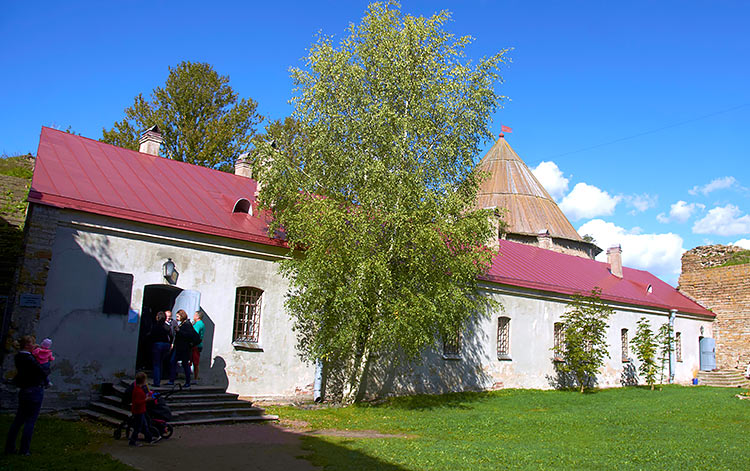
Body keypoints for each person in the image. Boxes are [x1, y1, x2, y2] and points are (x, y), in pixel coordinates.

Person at [5, 335, 48, 456]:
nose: (35, 345)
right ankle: (24, 450)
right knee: (30, 421)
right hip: (34, 390)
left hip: (24, 390)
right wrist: (44, 358)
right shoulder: (29, 359)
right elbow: (42, 370)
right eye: (33, 343)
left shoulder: (19, 357)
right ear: (28, 345)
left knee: (18, 420)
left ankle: (9, 447)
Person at [129, 372, 160, 446]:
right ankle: (133, 441)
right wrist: (146, 400)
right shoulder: (138, 391)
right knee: (138, 427)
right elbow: (137, 402)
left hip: (141, 410)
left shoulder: (138, 389)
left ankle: (149, 438)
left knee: (145, 425)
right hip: (138, 411)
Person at [168, 310, 197, 388]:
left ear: (182, 316)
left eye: (178, 316)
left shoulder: (187, 325)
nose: (177, 318)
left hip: (184, 348)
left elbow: (189, 335)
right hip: (179, 347)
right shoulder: (182, 324)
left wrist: (179, 331)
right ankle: (171, 380)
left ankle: (187, 381)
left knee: (184, 364)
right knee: (173, 362)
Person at [149, 312, 171, 387]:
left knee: (156, 364)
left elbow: (151, 336)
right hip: (166, 345)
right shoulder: (167, 327)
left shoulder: (155, 326)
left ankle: (156, 382)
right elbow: (170, 335)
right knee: (161, 362)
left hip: (158, 345)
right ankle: (159, 378)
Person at [191, 311, 205, 382]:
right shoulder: (201, 324)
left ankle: (195, 378)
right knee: (195, 362)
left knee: (195, 361)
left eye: (194, 315)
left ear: (197, 316)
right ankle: (195, 377)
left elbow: (195, 334)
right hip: (198, 345)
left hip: (195, 345)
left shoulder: (198, 324)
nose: (193, 316)